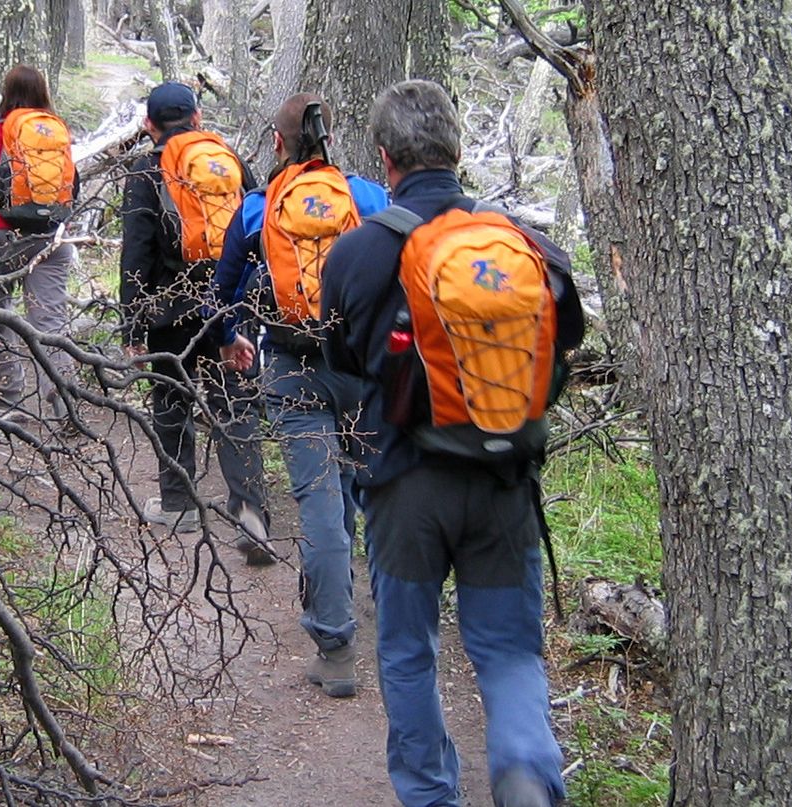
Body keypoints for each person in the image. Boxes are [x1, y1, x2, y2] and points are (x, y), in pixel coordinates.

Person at [320, 79, 584, 807]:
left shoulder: (356, 256)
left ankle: (432, 796)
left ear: (384, 158)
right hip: (504, 483)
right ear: (459, 150)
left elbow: (340, 363)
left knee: (408, 653)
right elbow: (564, 345)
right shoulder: (521, 245)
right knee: (506, 652)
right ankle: (527, 769)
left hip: (404, 485)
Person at [211, 92, 389, 698]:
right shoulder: (366, 197)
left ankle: (336, 646)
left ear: (279, 143)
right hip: (362, 366)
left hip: (292, 366)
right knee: (362, 493)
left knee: (318, 501)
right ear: (330, 140)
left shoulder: (258, 208)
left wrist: (233, 338)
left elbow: (224, 288)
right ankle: (387, 621)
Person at [119, 82, 272, 543]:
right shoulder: (229, 161)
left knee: (171, 402)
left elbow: (136, 253)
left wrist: (133, 323)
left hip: (172, 307)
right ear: (198, 117)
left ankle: (179, 503)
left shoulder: (146, 170)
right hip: (230, 305)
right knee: (235, 406)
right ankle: (251, 513)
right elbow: (257, 231)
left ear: (149, 126)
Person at [0, 65, 78, 421]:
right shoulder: (55, 132)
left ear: (4, 94)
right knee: (51, 322)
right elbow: (71, 187)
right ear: (44, 93)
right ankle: (63, 404)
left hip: (0, 238)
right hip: (51, 239)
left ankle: (8, 398)